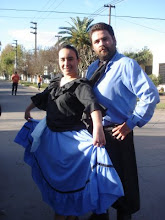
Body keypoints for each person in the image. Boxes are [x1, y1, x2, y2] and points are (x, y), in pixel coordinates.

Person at [14, 45, 124, 220]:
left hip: (71, 143)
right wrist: (28, 109)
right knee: (58, 181)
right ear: (58, 62)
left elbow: (92, 106)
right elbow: (43, 97)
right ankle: (70, 213)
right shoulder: (55, 82)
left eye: (70, 59)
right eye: (63, 59)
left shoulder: (81, 86)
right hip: (51, 140)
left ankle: (67, 213)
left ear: (78, 61)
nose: (66, 63)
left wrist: (97, 129)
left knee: (68, 184)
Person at [86, 23, 160, 220]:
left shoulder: (126, 65)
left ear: (114, 40)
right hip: (95, 134)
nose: (102, 44)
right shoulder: (92, 68)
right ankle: (100, 214)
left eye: (105, 39)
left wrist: (131, 123)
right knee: (98, 180)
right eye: (97, 41)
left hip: (118, 133)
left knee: (123, 185)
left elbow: (150, 95)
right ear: (93, 46)